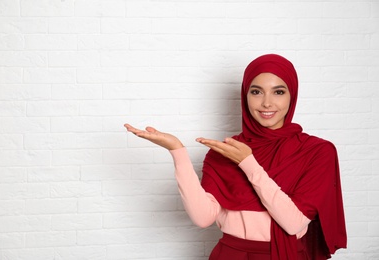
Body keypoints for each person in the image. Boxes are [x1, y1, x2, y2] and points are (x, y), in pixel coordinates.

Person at [124, 54, 347, 259]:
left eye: (278, 92)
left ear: (292, 96)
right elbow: (203, 218)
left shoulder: (316, 151)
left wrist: (247, 163)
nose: (267, 102)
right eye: (256, 91)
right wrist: (177, 151)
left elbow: (292, 223)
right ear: (245, 95)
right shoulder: (224, 151)